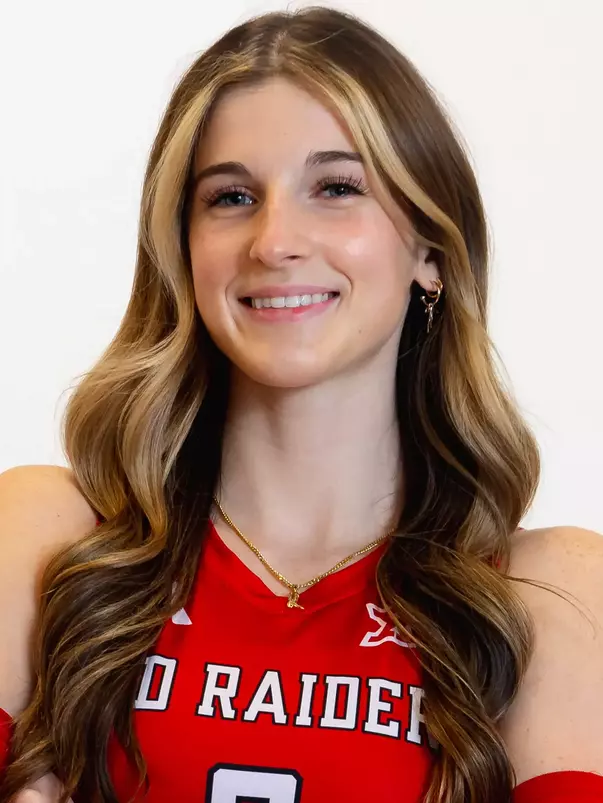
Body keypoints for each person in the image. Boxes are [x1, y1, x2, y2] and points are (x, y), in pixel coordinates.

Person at [1, 5, 602, 803]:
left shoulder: (542, 592)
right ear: (183, 247)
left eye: (336, 186)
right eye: (229, 197)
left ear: (429, 248)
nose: (274, 240)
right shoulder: (52, 538)